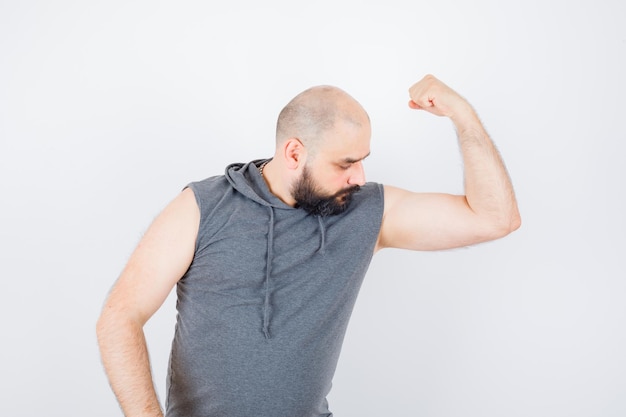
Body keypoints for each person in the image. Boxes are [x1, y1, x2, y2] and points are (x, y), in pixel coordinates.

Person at [96, 74, 521, 417]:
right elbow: (120, 317)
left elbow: (494, 218)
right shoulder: (203, 207)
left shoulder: (366, 212)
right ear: (294, 153)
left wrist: (463, 116)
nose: (359, 177)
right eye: (345, 163)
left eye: (362, 159)